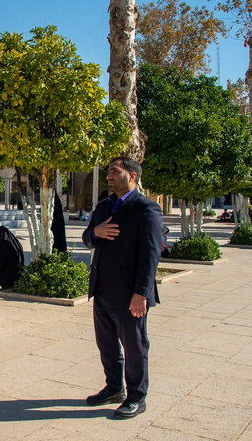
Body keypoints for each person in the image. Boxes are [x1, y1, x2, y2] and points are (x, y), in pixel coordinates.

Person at [82, 156, 162, 419]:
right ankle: (114, 388)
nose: (109, 176)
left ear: (132, 176)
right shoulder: (104, 206)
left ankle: (137, 396)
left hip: (130, 295)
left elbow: (151, 255)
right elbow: (86, 237)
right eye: (108, 172)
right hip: (102, 290)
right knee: (106, 344)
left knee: (135, 346)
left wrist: (142, 293)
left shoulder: (146, 208)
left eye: (115, 172)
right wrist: (96, 233)